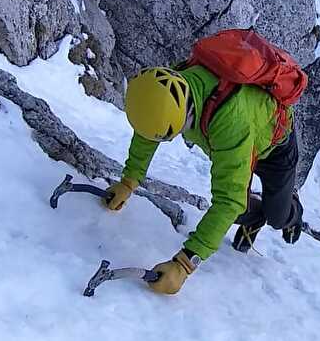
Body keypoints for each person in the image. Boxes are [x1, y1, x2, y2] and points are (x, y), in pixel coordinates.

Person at [106, 63, 304, 295]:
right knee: (238, 210)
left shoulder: (229, 120)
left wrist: (184, 264)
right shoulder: (168, 89)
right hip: (239, 144)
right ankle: (255, 216)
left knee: (276, 216)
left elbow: (228, 202)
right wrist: (129, 181)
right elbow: (149, 131)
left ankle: (293, 207)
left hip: (275, 150)